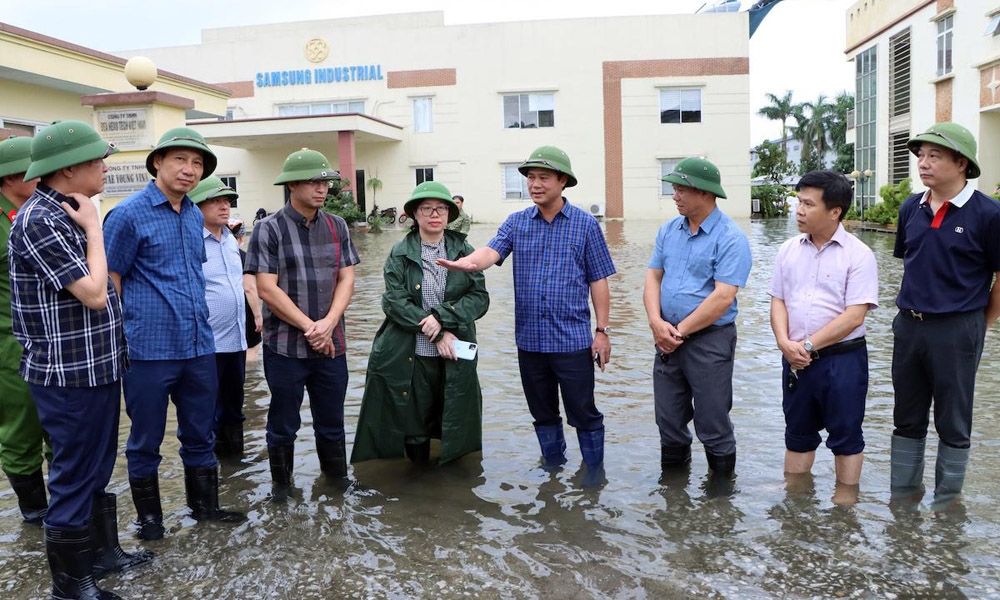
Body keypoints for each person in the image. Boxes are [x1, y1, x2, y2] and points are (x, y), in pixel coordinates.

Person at [9, 120, 152, 600]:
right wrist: (94, 224)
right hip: (67, 374)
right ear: (68, 168)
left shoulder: (65, 209)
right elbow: (93, 292)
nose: (105, 168)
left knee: (95, 465)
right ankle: (70, 588)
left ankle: (99, 557)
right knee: (72, 475)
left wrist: (87, 220)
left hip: (97, 366)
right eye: (97, 161)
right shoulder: (41, 220)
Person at [104, 128, 246, 540]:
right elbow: (112, 277)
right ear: (157, 163)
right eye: (180, 160)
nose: (189, 170)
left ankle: (205, 509)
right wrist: (118, 336)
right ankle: (150, 522)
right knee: (145, 440)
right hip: (148, 349)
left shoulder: (192, 215)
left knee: (200, 433)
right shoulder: (128, 215)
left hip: (199, 346)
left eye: (197, 163)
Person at [438, 146, 615, 469]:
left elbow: (599, 281)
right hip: (530, 342)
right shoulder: (517, 223)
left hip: (573, 341)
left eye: (543, 178)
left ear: (563, 181)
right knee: (542, 413)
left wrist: (601, 332)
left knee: (583, 412)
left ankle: (593, 474)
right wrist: (466, 264)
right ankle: (553, 468)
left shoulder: (585, 225)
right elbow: (490, 252)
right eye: (531, 177)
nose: (535, 184)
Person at [889, 122, 1000, 509]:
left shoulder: (988, 214)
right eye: (920, 155)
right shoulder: (911, 208)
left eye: (934, 155)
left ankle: (948, 504)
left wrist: (980, 324)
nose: (923, 163)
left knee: (953, 420)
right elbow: (913, 264)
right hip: (909, 325)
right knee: (906, 416)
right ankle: (903, 499)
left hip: (958, 328)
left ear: (961, 162)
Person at [245, 148, 360, 490]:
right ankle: (282, 491)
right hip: (284, 347)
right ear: (292, 185)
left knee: (332, 423)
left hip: (331, 346)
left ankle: (337, 486)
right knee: (283, 424)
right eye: (313, 182)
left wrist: (328, 324)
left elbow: (347, 279)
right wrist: (311, 327)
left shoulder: (337, 225)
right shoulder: (269, 229)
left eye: (324, 181)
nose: (322, 188)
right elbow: (266, 288)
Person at [352, 182, 489, 465]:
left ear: (450, 214)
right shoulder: (400, 253)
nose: (434, 214)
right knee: (414, 425)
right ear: (415, 214)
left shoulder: (464, 251)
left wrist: (442, 317)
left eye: (440, 208)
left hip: (455, 350)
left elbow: (479, 298)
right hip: (411, 352)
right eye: (426, 208)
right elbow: (393, 301)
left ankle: (449, 490)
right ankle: (415, 482)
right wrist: (436, 333)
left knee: (455, 415)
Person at [768, 170, 878, 504]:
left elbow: (854, 315)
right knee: (797, 433)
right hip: (795, 360)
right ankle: (795, 497)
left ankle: (845, 504)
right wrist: (783, 342)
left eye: (808, 204)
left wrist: (809, 345)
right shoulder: (788, 250)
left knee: (846, 435)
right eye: (798, 201)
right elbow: (778, 300)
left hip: (842, 360)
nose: (798, 210)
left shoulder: (858, 255)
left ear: (835, 212)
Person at [643, 157, 752, 479]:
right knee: (668, 420)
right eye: (673, 189)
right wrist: (655, 322)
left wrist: (677, 332)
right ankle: (674, 495)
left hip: (709, 340)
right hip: (665, 337)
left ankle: (719, 500)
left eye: (680, 190)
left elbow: (723, 297)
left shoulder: (731, 237)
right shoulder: (668, 230)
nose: (674, 196)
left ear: (705, 193)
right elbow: (652, 277)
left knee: (712, 421)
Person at [0, 135, 51, 526]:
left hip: (48, 341)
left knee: (60, 427)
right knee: (22, 429)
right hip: (8, 346)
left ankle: (67, 514)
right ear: (12, 177)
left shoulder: (42, 211)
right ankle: (35, 515)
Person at [189, 177, 250, 458]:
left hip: (236, 341)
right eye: (215, 201)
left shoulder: (229, 240)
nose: (224, 206)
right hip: (208, 345)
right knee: (207, 412)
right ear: (197, 206)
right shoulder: (191, 241)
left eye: (227, 201)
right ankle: (210, 472)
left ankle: (236, 471)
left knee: (234, 409)